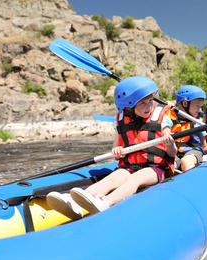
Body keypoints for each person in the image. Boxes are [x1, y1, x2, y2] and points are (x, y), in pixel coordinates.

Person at [46, 76, 177, 220]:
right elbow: (116, 153)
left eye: (151, 101)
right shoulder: (121, 121)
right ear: (129, 107)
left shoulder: (162, 118)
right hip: (130, 167)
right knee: (113, 178)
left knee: (134, 179)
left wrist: (169, 142)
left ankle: (106, 202)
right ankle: (75, 203)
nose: (149, 106)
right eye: (143, 103)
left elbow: (172, 153)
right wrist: (117, 151)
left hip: (155, 168)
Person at [168, 85, 207, 172]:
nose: (200, 109)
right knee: (170, 165)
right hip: (175, 154)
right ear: (185, 103)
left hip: (193, 153)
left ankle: (194, 183)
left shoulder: (198, 124)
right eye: (197, 106)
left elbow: (204, 148)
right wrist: (166, 106)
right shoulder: (169, 118)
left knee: (185, 161)